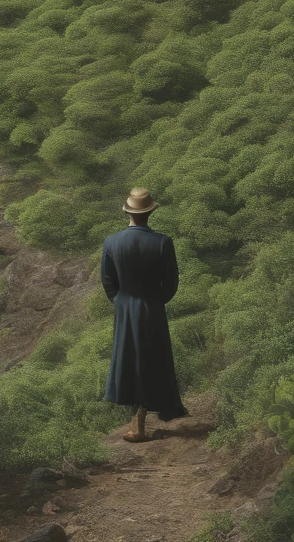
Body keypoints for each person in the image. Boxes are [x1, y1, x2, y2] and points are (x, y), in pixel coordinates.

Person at [100, 187, 188, 442]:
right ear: (150, 213)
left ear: (127, 211)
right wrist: (154, 301)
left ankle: (136, 420)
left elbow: (108, 281)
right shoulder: (162, 242)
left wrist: (120, 302)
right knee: (154, 358)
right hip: (152, 307)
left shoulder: (111, 242)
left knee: (128, 357)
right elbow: (171, 283)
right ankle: (157, 410)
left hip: (124, 307)